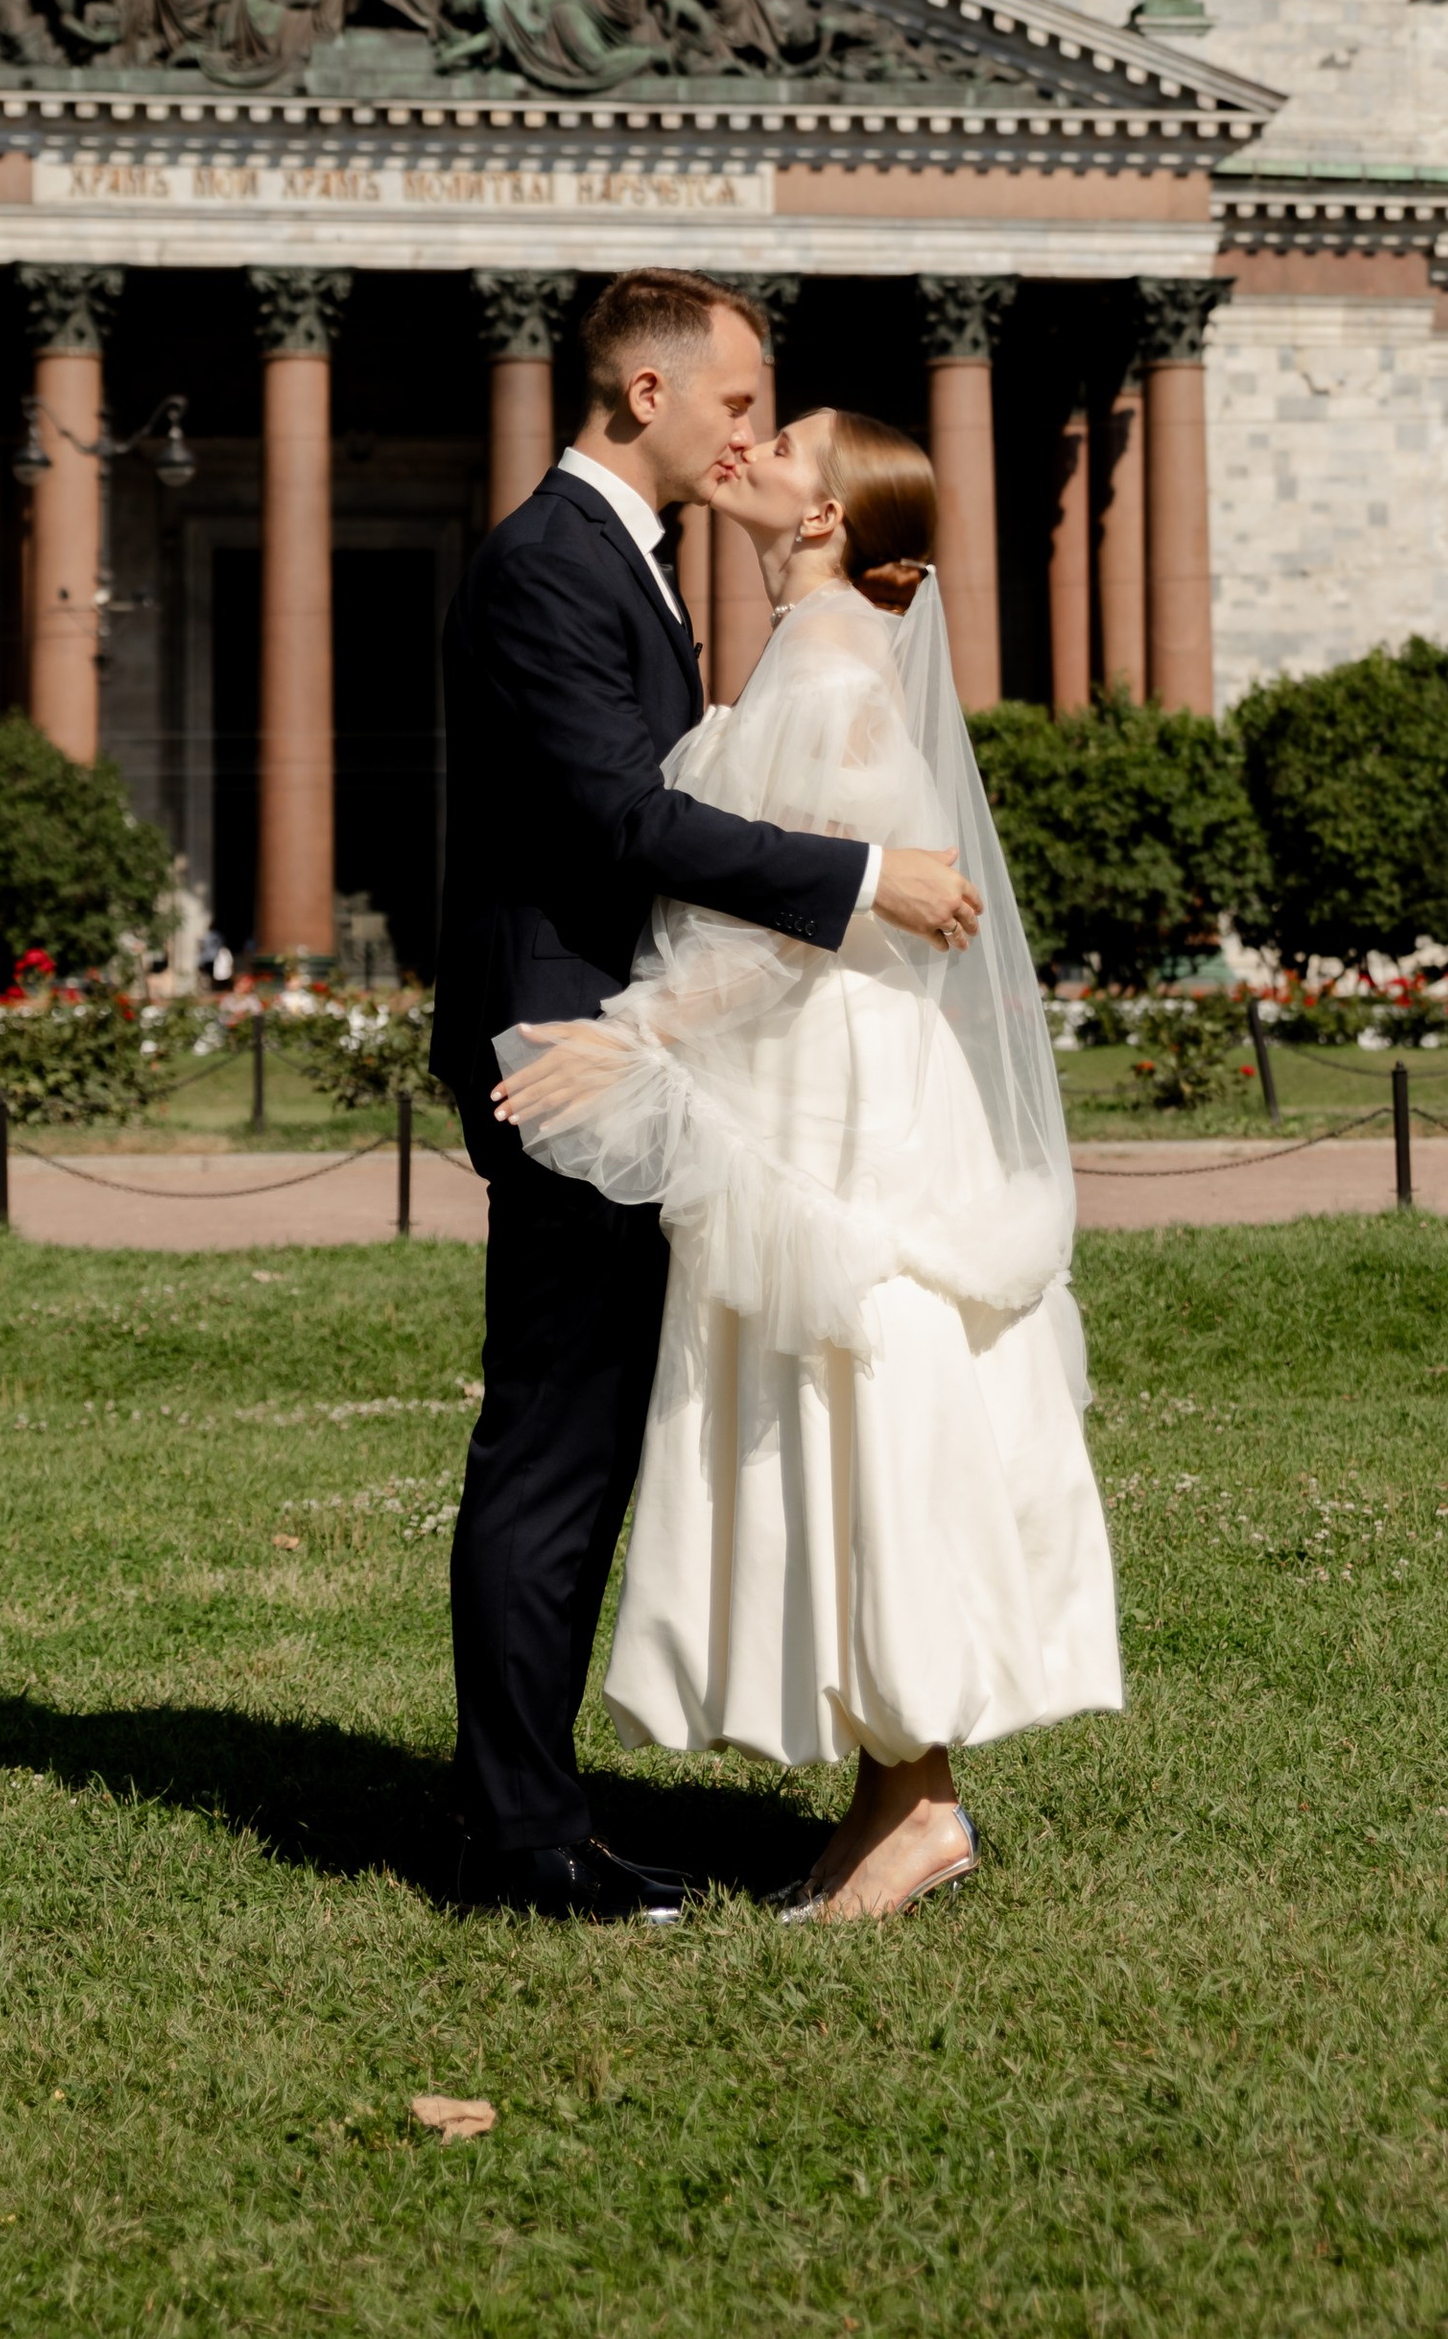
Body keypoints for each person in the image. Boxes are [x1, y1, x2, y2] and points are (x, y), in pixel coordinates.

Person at [495, 406, 1121, 1919]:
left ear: (827, 510)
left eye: (782, 439)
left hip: (840, 1081)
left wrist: (630, 1037)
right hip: (826, 1069)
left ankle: (918, 1805)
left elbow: (796, 918)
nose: (751, 442)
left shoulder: (831, 658)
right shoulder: (818, 645)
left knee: (866, 1401)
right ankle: (889, 1805)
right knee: (844, 1407)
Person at [434, 270, 984, 1925]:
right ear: (646, 395)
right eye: (738, 400)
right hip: (581, 1065)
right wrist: (866, 870)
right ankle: (520, 1840)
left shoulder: (624, 564)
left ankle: (549, 1812)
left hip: (638, 1065)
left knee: (588, 1449)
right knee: (549, 1452)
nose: (750, 429)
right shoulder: (551, 564)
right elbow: (615, 824)